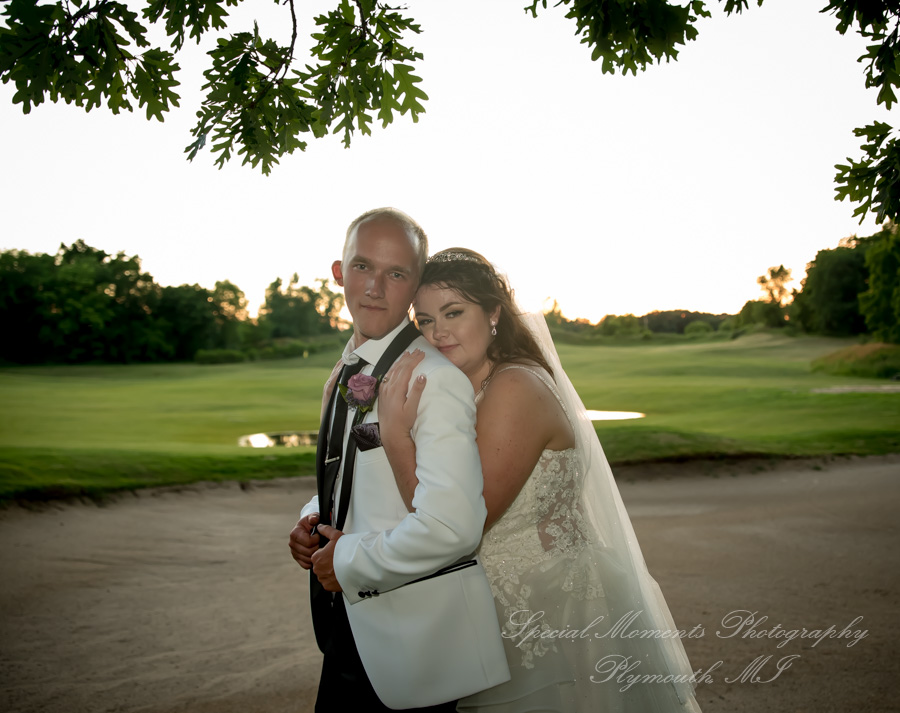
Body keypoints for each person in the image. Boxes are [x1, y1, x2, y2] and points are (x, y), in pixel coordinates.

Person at [377, 248, 703, 712]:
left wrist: (395, 436)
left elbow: (459, 525)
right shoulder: (463, 389)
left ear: (493, 313)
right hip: (487, 611)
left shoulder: (515, 387)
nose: (438, 332)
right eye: (425, 320)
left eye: (454, 312)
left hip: (550, 614)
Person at [287, 211, 509, 712]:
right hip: (350, 627)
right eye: (363, 267)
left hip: (408, 638)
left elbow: (453, 527)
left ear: (415, 285)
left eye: (396, 273)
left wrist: (345, 560)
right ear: (339, 272)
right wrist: (312, 518)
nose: (375, 288)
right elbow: (353, 475)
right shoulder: (349, 366)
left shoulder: (433, 378)